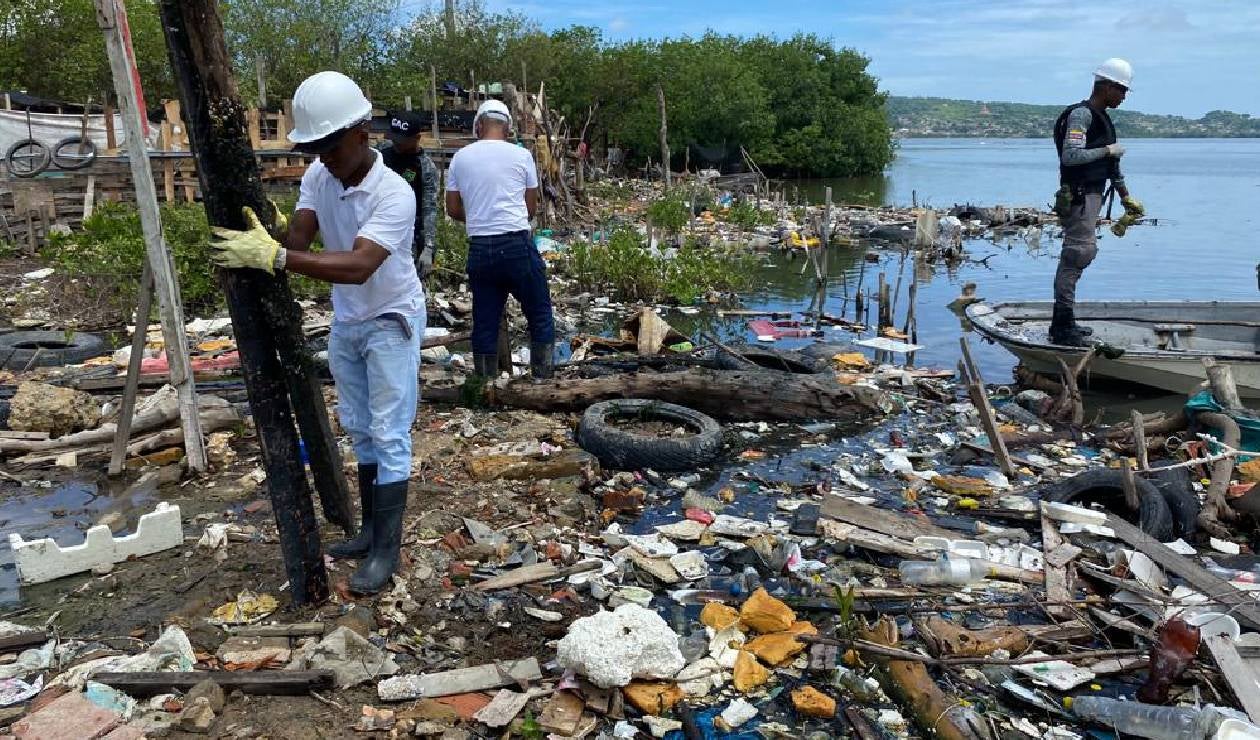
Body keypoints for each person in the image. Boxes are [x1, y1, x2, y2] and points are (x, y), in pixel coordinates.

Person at [210, 71, 423, 595]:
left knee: (390, 431)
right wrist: (274, 238)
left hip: (390, 317)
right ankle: (371, 531)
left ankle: (385, 553)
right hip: (349, 319)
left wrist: (280, 257)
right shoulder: (318, 177)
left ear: (360, 134)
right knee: (360, 427)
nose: (323, 155)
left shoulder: (394, 195)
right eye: (314, 147)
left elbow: (359, 265)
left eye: (330, 145)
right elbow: (301, 236)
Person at [444, 99, 555, 380]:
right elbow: (531, 207)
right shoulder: (521, 156)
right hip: (516, 244)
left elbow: (453, 209)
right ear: (507, 128)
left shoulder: (461, 157)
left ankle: (485, 386)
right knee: (539, 314)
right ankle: (543, 380)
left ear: (479, 126)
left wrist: (481, 219)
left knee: (485, 322)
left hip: (481, 249)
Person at [1050, 57, 1144, 346]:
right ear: (1105, 87)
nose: (1124, 96)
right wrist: (1106, 150)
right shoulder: (1081, 116)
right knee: (1077, 254)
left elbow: (1112, 164)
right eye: (1121, 90)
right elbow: (1071, 156)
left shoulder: (1103, 119)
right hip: (1078, 196)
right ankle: (1062, 325)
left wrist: (1127, 197)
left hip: (1092, 195)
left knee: (1082, 253)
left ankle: (1066, 321)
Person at [379, 111, 439, 279]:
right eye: (394, 139)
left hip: (410, 234)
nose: (397, 144)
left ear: (417, 138)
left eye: (402, 141)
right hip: (380, 228)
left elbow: (430, 208)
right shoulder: (380, 155)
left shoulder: (425, 167)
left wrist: (428, 247)